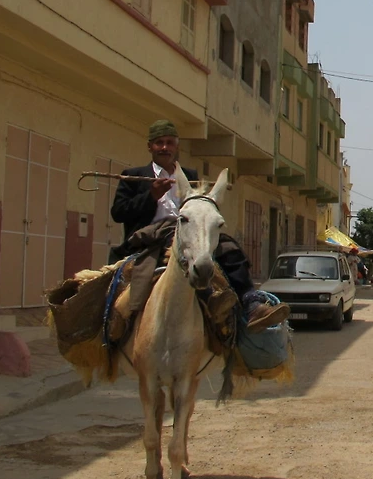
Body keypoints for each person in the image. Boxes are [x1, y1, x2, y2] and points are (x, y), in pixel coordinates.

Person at [109, 120, 288, 333]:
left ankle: (250, 304)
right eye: (159, 143)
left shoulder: (190, 177)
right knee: (128, 284)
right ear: (150, 147)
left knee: (230, 249)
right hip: (151, 236)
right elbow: (118, 212)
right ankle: (118, 329)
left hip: (192, 231)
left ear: (176, 146)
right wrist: (150, 196)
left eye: (169, 142)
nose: (164, 147)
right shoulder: (133, 176)